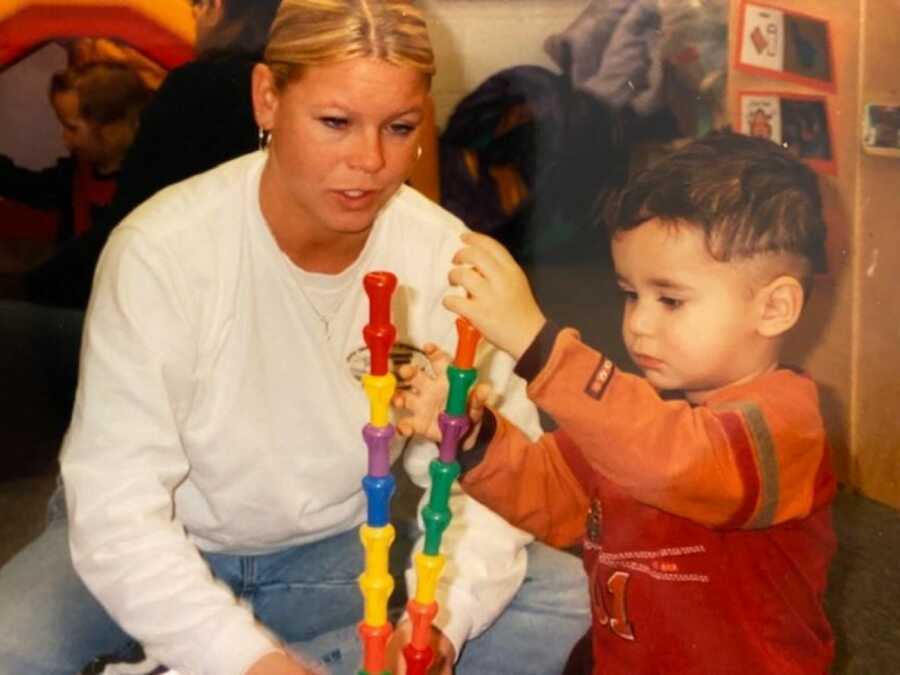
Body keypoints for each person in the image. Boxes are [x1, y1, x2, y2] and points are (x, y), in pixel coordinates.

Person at [0, 2, 589, 675]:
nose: (369, 162)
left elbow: (491, 481)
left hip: (337, 557)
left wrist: (440, 623)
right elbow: (115, 509)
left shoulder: (448, 257)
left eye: (398, 127)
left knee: (579, 606)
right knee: (9, 646)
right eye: (335, 123)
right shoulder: (159, 251)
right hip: (162, 541)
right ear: (267, 98)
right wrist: (248, 660)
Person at [398, 131, 837, 673]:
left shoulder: (787, 422)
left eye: (670, 300)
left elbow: (680, 462)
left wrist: (538, 344)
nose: (639, 324)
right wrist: (472, 433)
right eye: (632, 295)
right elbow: (554, 495)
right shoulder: (634, 416)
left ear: (775, 309)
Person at [28, 0, 282, 311]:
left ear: (216, 7)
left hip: (186, 295)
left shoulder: (199, 87)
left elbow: (132, 221)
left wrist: (36, 283)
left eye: (197, 7)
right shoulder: (294, 82)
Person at [0, 61, 151, 306]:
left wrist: (27, 286)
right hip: (67, 294)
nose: (63, 137)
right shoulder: (78, 171)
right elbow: (37, 189)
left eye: (72, 128)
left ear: (112, 130)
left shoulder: (137, 186)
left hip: (104, 302)